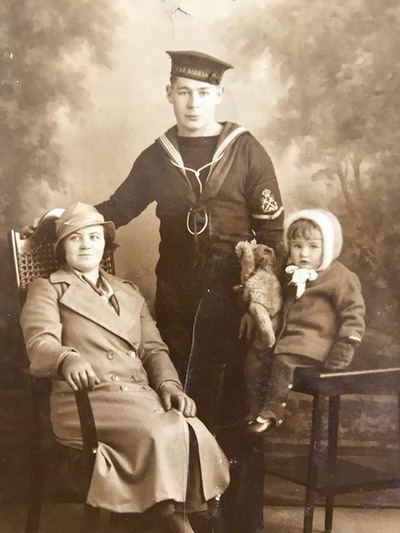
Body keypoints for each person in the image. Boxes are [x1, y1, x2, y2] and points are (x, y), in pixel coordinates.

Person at [95, 49, 285, 533]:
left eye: (203, 93)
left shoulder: (246, 149)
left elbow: (274, 236)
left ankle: (237, 522)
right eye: (183, 93)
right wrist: (66, 219)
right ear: (169, 95)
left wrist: (257, 299)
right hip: (177, 300)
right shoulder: (157, 156)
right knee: (176, 398)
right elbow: (116, 208)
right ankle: (182, 515)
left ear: (219, 96)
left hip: (234, 304)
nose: (193, 103)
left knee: (232, 404)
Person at [20, 203, 230, 533]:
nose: (86, 244)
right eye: (76, 239)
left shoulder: (128, 291)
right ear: (62, 248)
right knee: (160, 433)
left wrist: (169, 385)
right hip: (87, 400)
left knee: (190, 428)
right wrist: (66, 358)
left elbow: (153, 349)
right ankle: (177, 524)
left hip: (139, 397)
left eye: (93, 236)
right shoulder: (48, 288)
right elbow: (39, 343)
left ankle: (175, 517)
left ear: (105, 243)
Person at [246, 209, 366, 435]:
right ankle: (253, 406)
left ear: (328, 247)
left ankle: (271, 412)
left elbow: (354, 312)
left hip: (315, 342)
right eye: (297, 246)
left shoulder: (341, 277)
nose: (304, 254)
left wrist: (346, 344)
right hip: (287, 336)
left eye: (313, 246)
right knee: (256, 357)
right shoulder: (291, 272)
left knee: (283, 361)